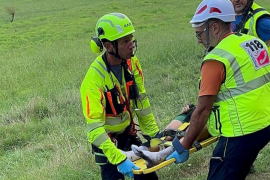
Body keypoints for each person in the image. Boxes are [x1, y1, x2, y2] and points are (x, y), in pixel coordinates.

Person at [164, 0, 270, 180]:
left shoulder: (216, 59)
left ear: (214, 28)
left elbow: (203, 110)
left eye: (199, 34)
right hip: (264, 125)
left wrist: (185, 145)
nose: (198, 41)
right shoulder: (253, 42)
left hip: (240, 133)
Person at [80, 13, 160, 180]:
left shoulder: (132, 63)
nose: (132, 45)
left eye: (131, 39)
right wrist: (118, 159)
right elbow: (94, 130)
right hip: (108, 143)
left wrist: (154, 136)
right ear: (109, 46)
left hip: (128, 133)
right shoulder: (93, 81)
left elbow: (141, 102)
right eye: (125, 42)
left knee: (148, 177)